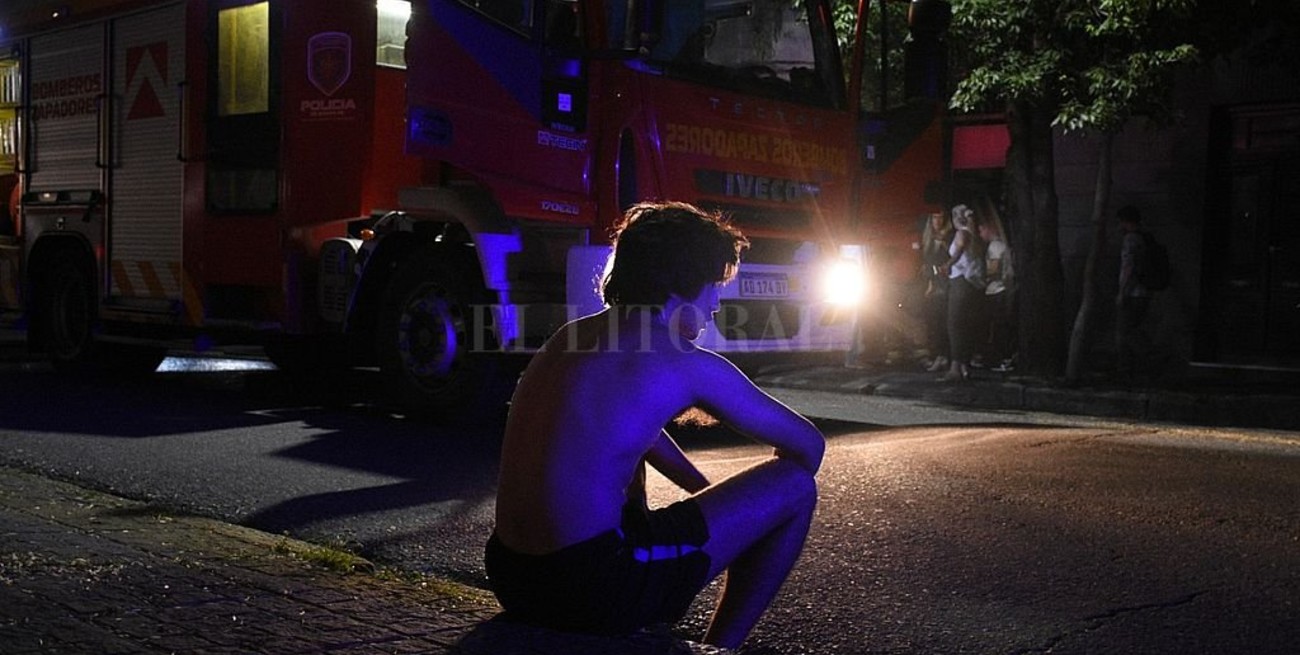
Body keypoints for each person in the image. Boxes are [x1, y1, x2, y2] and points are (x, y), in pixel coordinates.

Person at [486, 201, 825, 649]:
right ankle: (722, 648)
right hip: (591, 589)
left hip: (512, 575)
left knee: (626, 487)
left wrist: (705, 492)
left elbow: (624, 429)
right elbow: (808, 448)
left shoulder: (570, 337)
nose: (718, 303)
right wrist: (745, 517)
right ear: (687, 283)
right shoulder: (683, 362)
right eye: (715, 285)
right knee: (796, 487)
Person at [937, 204, 985, 382]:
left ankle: (955, 367)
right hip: (971, 284)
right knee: (964, 325)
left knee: (954, 324)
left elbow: (959, 251)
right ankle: (964, 365)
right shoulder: (976, 236)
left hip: (960, 282)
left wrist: (947, 265)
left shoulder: (962, 233)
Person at [1116, 205, 1153, 379]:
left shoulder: (1130, 240)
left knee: (1126, 332)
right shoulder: (1144, 238)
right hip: (1144, 291)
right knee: (1133, 329)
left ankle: (1145, 360)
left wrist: (1122, 292)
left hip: (1133, 293)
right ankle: (1136, 367)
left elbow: (1128, 268)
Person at [977, 213, 1015, 372]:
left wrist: (980, 277)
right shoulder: (1001, 245)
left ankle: (997, 359)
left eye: (981, 230)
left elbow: (993, 269)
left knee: (995, 327)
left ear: (988, 228)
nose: (980, 234)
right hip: (1002, 290)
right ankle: (999, 358)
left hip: (996, 291)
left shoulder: (995, 247)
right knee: (999, 326)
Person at [918, 210, 953, 372]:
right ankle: (937, 354)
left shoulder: (948, 238)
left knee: (941, 322)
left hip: (945, 285)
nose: (937, 221)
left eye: (940, 218)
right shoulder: (928, 239)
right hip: (933, 284)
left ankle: (943, 356)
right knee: (933, 322)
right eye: (934, 217)